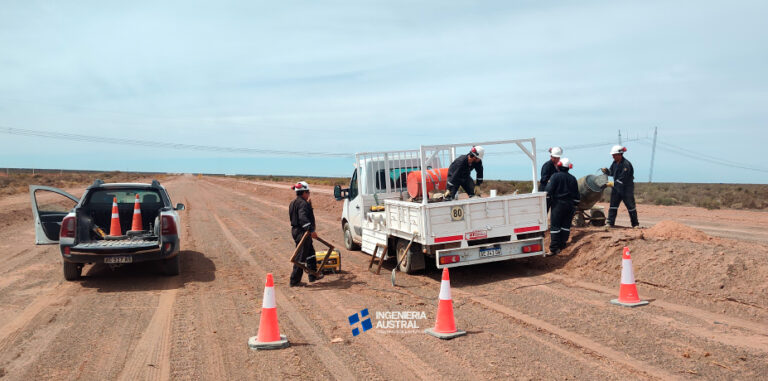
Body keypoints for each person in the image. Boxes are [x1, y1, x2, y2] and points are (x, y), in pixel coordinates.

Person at [545, 158, 579, 256]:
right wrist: (575, 205)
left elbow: (548, 190)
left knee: (555, 226)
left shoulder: (555, 176)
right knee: (565, 226)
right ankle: (562, 245)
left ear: (559, 166)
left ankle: (554, 249)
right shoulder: (573, 178)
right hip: (570, 205)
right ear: (569, 167)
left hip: (558, 205)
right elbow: (577, 196)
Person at [602, 145, 639, 228]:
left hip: (626, 189)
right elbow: (612, 173)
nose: (613, 156)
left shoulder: (626, 165)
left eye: (614, 155)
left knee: (631, 207)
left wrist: (611, 184)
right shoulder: (614, 163)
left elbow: (622, 179)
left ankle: (635, 224)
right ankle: (610, 223)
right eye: (612, 155)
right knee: (613, 206)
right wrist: (607, 171)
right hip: (616, 189)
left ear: (620, 154)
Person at [288, 181, 318, 286]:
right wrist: (311, 230)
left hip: (299, 232)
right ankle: (294, 281)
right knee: (300, 257)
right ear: (304, 192)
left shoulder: (294, 202)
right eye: (308, 192)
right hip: (302, 233)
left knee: (310, 253)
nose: (309, 194)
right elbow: (302, 218)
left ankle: (313, 275)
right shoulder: (303, 204)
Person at [540, 146, 563, 212]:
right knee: (544, 212)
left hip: (554, 194)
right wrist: (552, 182)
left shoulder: (558, 167)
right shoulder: (547, 166)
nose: (557, 159)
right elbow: (543, 179)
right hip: (546, 193)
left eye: (558, 158)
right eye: (556, 158)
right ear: (551, 157)